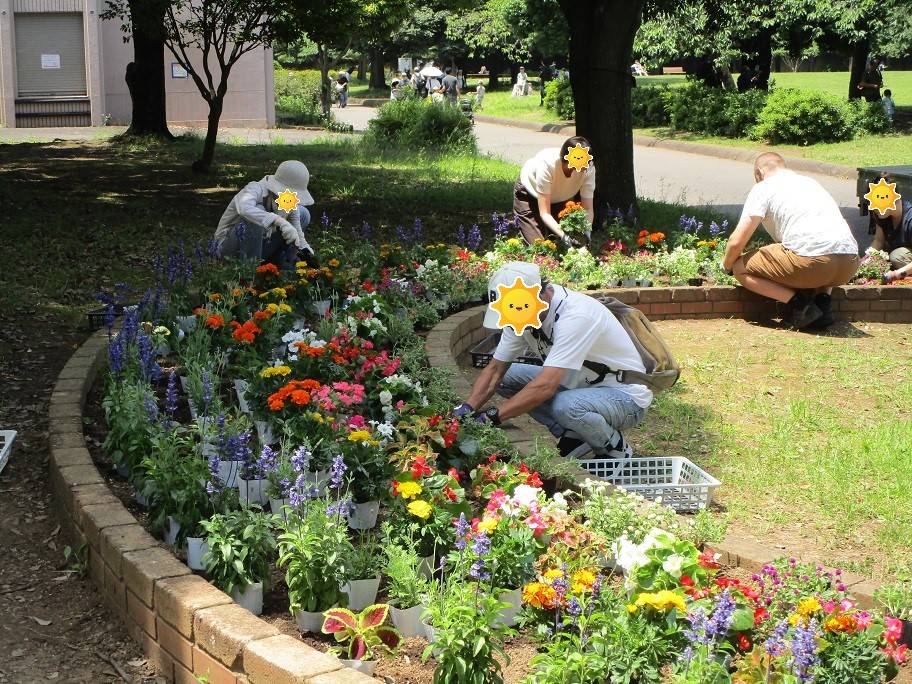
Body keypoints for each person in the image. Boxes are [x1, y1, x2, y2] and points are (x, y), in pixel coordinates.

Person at [454, 262, 651, 460]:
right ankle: (575, 436)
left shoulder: (575, 316)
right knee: (508, 376)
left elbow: (545, 387)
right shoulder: (521, 315)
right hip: (580, 388)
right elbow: (496, 370)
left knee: (566, 406)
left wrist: (493, 417)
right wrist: (467, 409)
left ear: (542, 295)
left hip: (625, 398)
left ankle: (613, 448)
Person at [722, 153, 859, 329]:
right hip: (849, 264)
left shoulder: (763, 187)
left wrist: (727, 266)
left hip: (814, 265)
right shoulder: (811, 183)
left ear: (758, 173)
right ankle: (823, 305)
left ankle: (801, 307)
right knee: (821, 244)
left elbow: (736, 241)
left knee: (740, 268)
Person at [214, 160, 318, 271]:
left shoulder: (288, 200)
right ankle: (248, 274)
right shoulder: (254, 189)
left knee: (303, 213)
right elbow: (244, 208)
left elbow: (297, 230)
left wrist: (307, 252)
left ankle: (279, 264)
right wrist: (279, 221)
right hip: (230, 251)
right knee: (258, 210)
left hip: (262, 248)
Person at [513, 136, 596, 246]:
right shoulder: (547, 165)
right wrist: (564, 238)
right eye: (572, 168)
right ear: (563, 160)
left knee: (567, 243)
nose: (577, 172)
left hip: (559, 198)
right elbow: (545, 213)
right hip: (529, 194)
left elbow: (588, 208)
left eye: (581, 168)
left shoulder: (589, 168)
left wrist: (587, 233)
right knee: (540, 247)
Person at [869, 177, 912, 282]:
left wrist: (897, 274)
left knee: (897, 256)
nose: (872, 207)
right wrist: (866, 260)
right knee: (882, 254)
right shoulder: (882, 215)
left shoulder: (910, 219)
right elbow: (878, 241)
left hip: (901, 256)